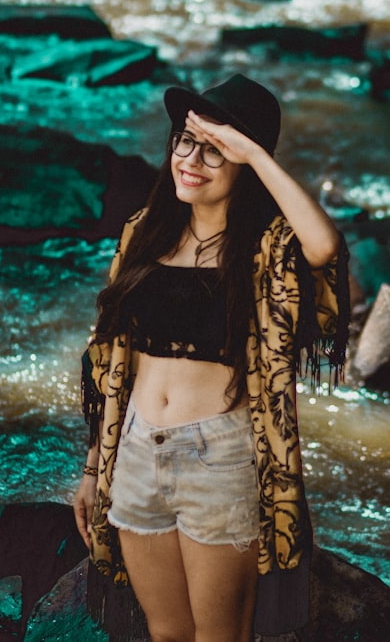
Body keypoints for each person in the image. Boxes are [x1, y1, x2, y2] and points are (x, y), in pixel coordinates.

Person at [73, 73, 350, 641]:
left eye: (215, 149)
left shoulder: (267, 250)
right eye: (184, 141)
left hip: (219, 458)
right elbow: (110, 363)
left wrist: (250, 150)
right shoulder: (143, 235)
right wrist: (92, 469)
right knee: (167, 634)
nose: (191, 159)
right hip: (134, 452)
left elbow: (325, 247)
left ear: (245, 162)